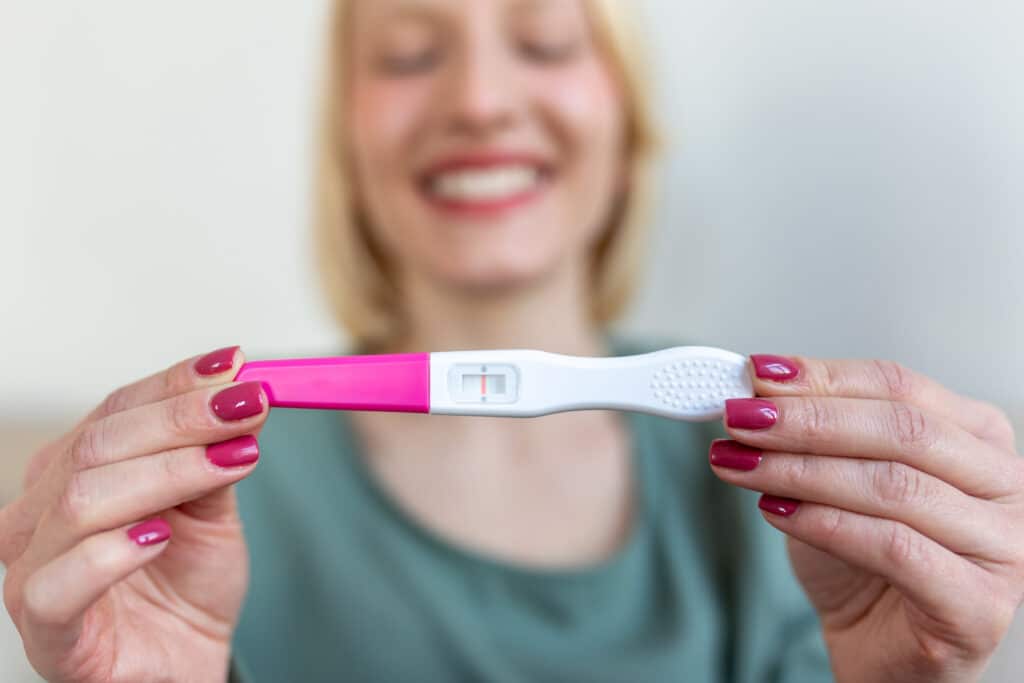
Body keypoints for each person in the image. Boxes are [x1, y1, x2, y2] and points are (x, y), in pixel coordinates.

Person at [2, 1, 1021, 681]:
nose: (480, 101)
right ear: (345, 145)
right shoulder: (195, 520)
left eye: (542, 40)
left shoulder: (788, 488)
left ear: (628, 125)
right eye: (407, 53)